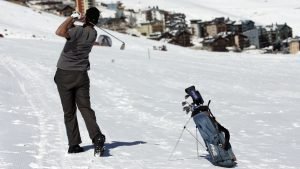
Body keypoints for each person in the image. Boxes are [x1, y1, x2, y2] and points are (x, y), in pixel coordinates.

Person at [54, 7, 105, 155]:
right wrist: (79, 21)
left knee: (69, 112)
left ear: (87, 18)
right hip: (82, 76)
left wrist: (72, 17)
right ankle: (97, 137)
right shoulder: (93, 33)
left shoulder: (78, 31)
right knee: (85, 108)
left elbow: (60, 31)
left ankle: (74, 144)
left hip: (65, 75)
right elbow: (71, 31)